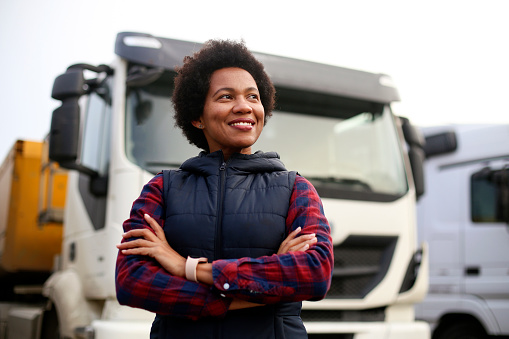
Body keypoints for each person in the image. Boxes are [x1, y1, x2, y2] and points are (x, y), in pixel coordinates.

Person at [115, 39, 334, 339]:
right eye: (226, 96)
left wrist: (188, 268)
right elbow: (132, 281)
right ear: (197, 116)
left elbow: (314, 273)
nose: (243, 106)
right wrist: (261, 286)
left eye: (252, 96)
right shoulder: (161, 189)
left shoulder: (296, 189)